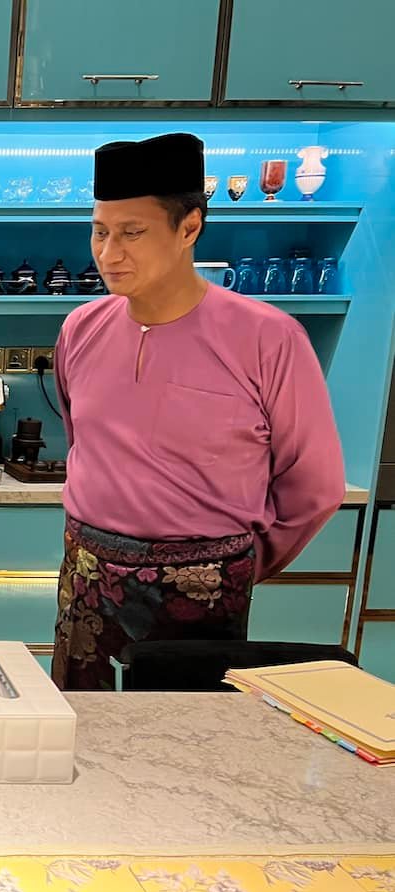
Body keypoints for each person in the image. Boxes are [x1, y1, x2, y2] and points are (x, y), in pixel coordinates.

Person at [51, 132, 345, 690]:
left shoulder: (268, 338)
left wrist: (236, 565)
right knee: (81, 725)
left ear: (189, 228)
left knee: (186, 734)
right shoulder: (80, 329)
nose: (109, 254)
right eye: (100, 231)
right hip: (87, 575)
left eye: (132, 233)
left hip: (204, 590)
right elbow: (81, 440)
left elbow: (315, 485)